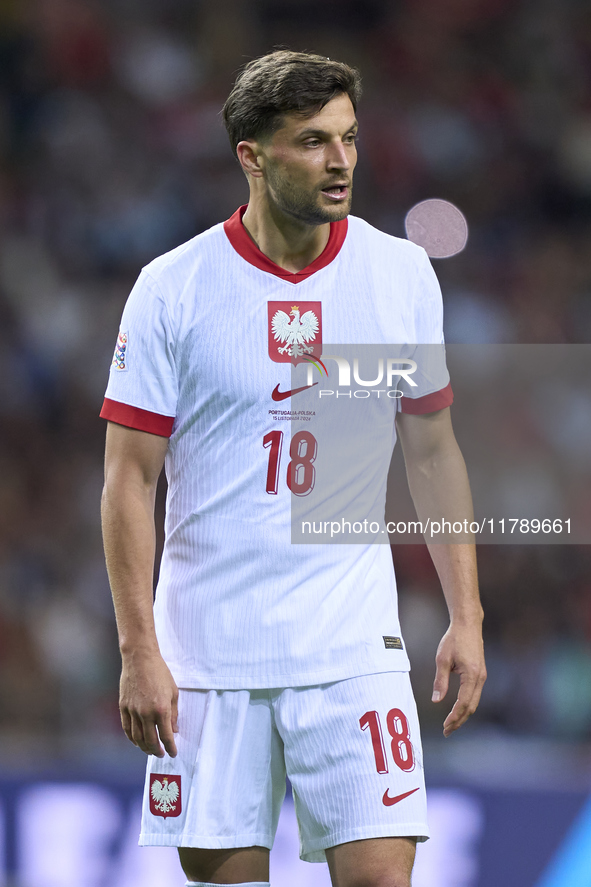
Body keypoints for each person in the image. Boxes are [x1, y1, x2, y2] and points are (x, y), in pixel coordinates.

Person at [100, 50, 486, 887]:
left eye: (348, 137)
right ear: (252, 154)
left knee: (383, 877)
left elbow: (431, 448)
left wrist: (468, 613)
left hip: (352, 644)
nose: (340, 160)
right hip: (209, 652)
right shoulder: (172, 288)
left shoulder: (399, 273)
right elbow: (129, 480)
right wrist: (137, 649)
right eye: (312, 141)